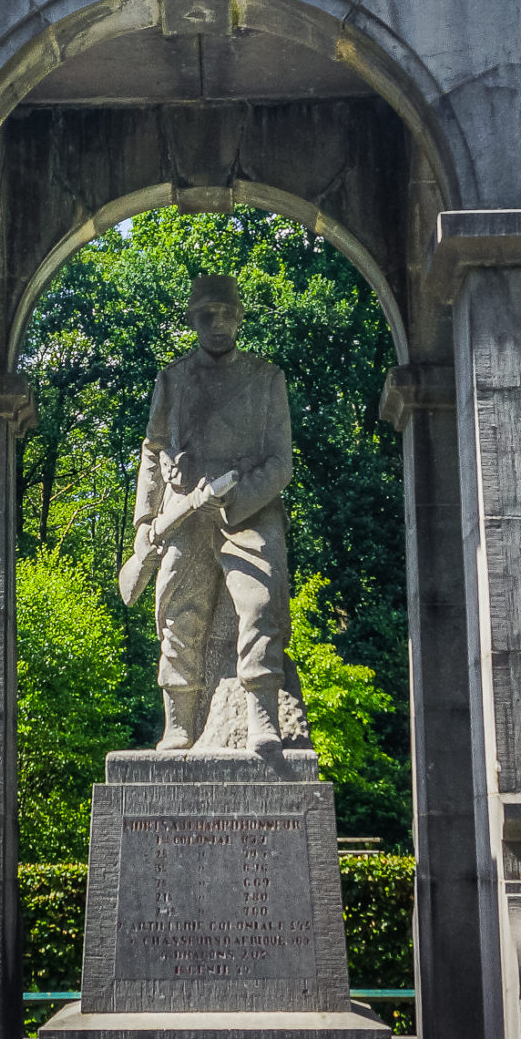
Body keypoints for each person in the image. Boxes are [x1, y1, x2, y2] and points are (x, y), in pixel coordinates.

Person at [129, 274, 295, 756]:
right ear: (192, 320)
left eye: (227, 312)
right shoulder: (173, 378)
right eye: (207, 313)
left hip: (250, 508)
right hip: (184, 513)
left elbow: (280, 461)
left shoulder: (267, 378)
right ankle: (179, 723)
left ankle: (262, 716)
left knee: (261, 602)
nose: (218, 322)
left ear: (240, 317)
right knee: (177, 610)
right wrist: (145, 522)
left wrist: (238, 498)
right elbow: (152, 447)